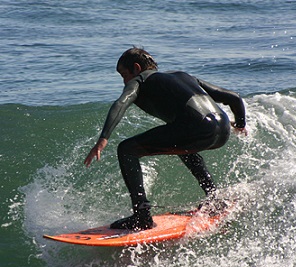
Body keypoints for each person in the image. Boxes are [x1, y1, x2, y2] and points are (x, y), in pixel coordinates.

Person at [84, 47, 247, 231]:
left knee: (126, 149)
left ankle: (141, 216)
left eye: (124, 75)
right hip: (222, 128)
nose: (124, 81)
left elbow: (121, 103)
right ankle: (213, 198)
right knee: (182, 147)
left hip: (196, 128)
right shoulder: (185, 76)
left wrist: (103, 138)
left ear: (136, 68)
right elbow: (234, 98)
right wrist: (240, 124)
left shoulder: (140, 79)